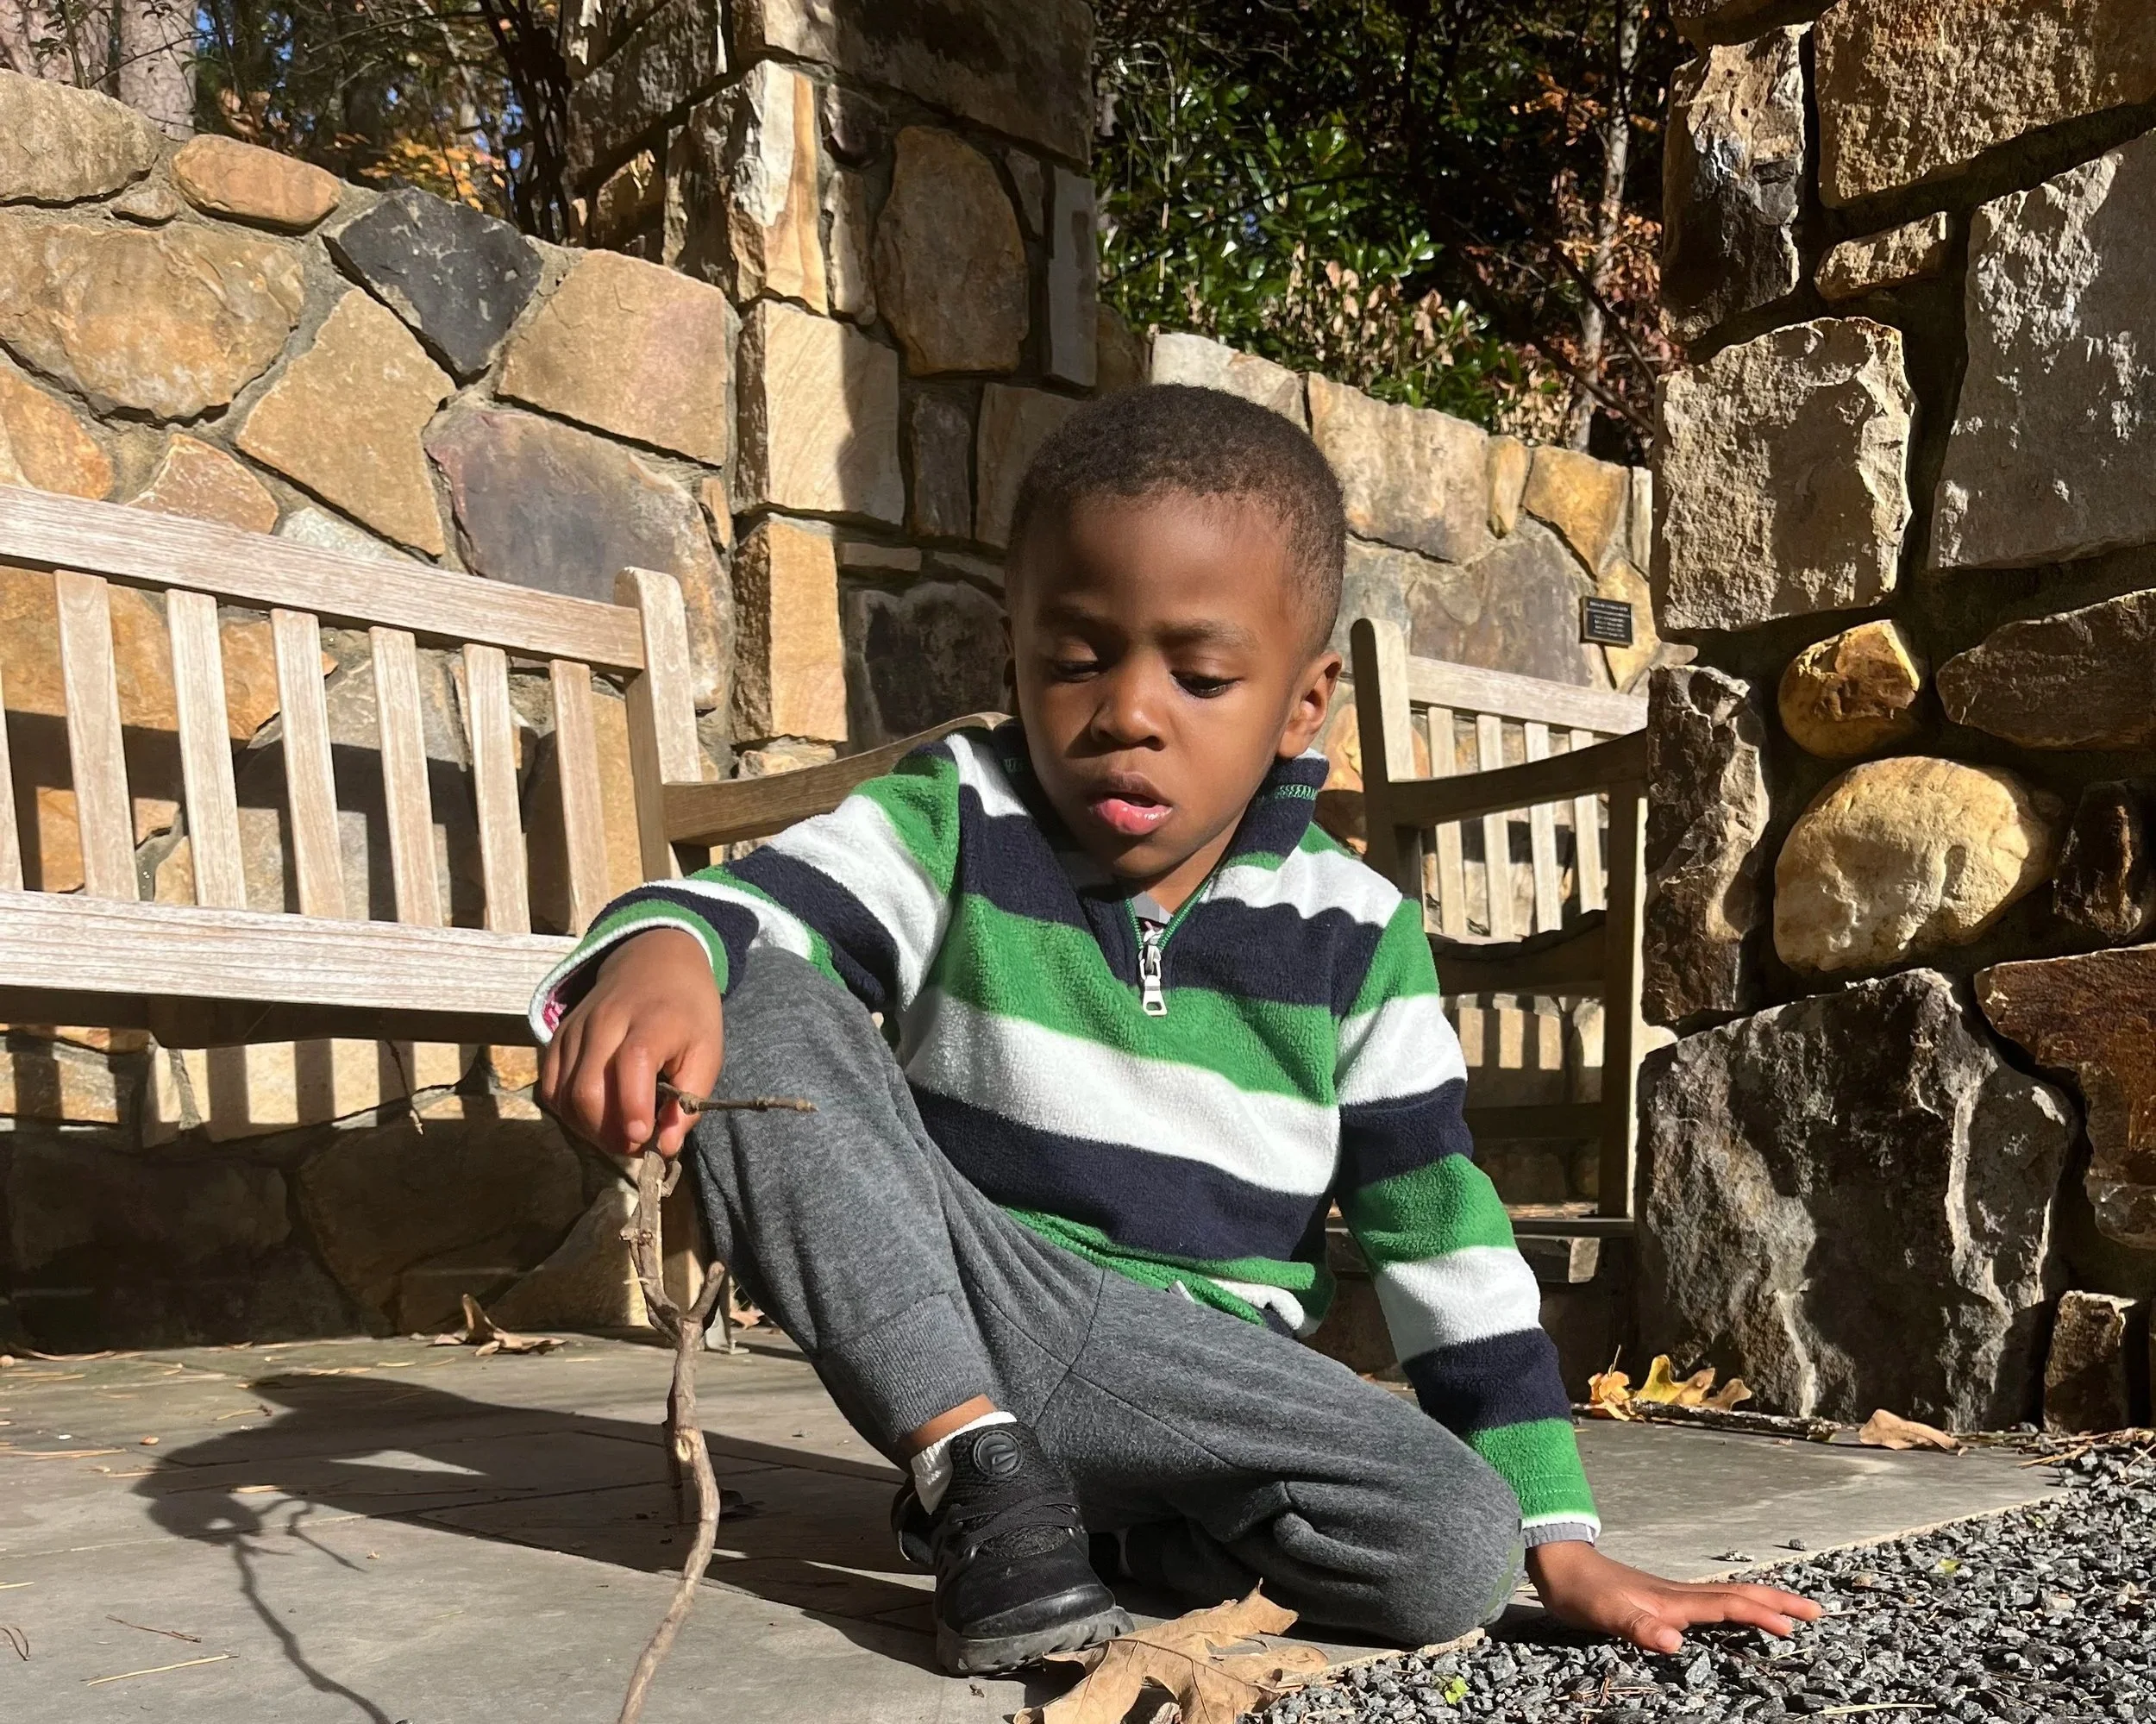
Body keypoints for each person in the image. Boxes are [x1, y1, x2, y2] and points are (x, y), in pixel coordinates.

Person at [533, 386, 1819, 1676]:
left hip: (1206, 1376)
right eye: (1076, 658)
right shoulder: (958, 816)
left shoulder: (1356, 932)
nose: (1129, 712)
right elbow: (757, 904)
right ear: (1011, 659)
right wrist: (664, 946)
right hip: (975, 1297)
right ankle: (975, 1459)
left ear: (1302, 706)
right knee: (755, 981)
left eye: (1201, 676)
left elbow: (1442, 1229)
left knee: (1457, 1546)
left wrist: (1562, 1534)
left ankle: (1078, 1528)